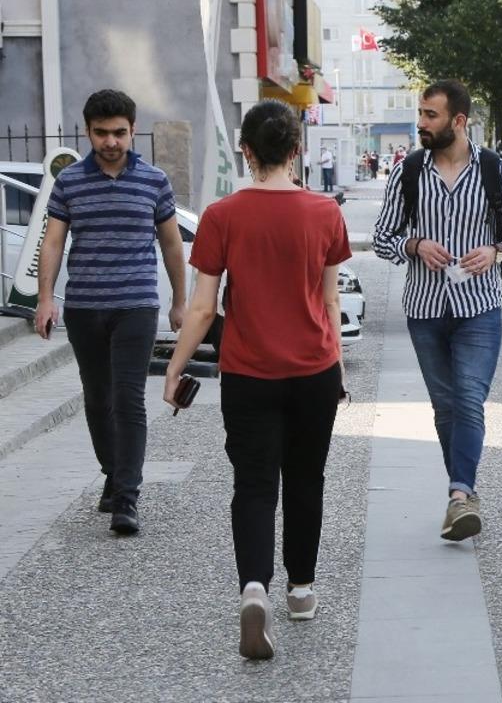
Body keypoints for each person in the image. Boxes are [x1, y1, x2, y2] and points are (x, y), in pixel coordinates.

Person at [164, 100, 350, 660]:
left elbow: (202, 309)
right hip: (313, 371)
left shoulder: (222, 216)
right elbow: (330, 298)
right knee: (305, 478)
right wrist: (337, 368)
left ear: (246, 151)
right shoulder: (325, 213)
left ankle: (253, 589)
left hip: (248, 373)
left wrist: (175, 369)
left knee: (253, 483)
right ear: (297, 150)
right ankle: (301, 590)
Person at [373, 80, 502, 541]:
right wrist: (415, 243)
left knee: (468, 398)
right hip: (424, 308)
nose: (420, 123)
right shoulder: (407, 172)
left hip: (479, 305)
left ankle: (460, 496)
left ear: (458, 121)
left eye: (430, 115)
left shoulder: (495, 171)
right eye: (420, 114)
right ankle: (462, 495)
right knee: (444, 407)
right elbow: (383, 239)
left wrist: (496, 252)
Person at [34, 89, 186, 535]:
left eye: (119, 133)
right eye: (101, 133)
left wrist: (180, 300)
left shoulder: (154, 180)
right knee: (97, 399)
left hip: (136, 304)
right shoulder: (71, 182)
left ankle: (127, 497)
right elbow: (54, 242)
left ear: (132, 130)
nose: (111, 142)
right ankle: (112, 472)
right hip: (84, 306)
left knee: (127, 397)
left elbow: (172, 243)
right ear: (88, 132)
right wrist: (46, 298)